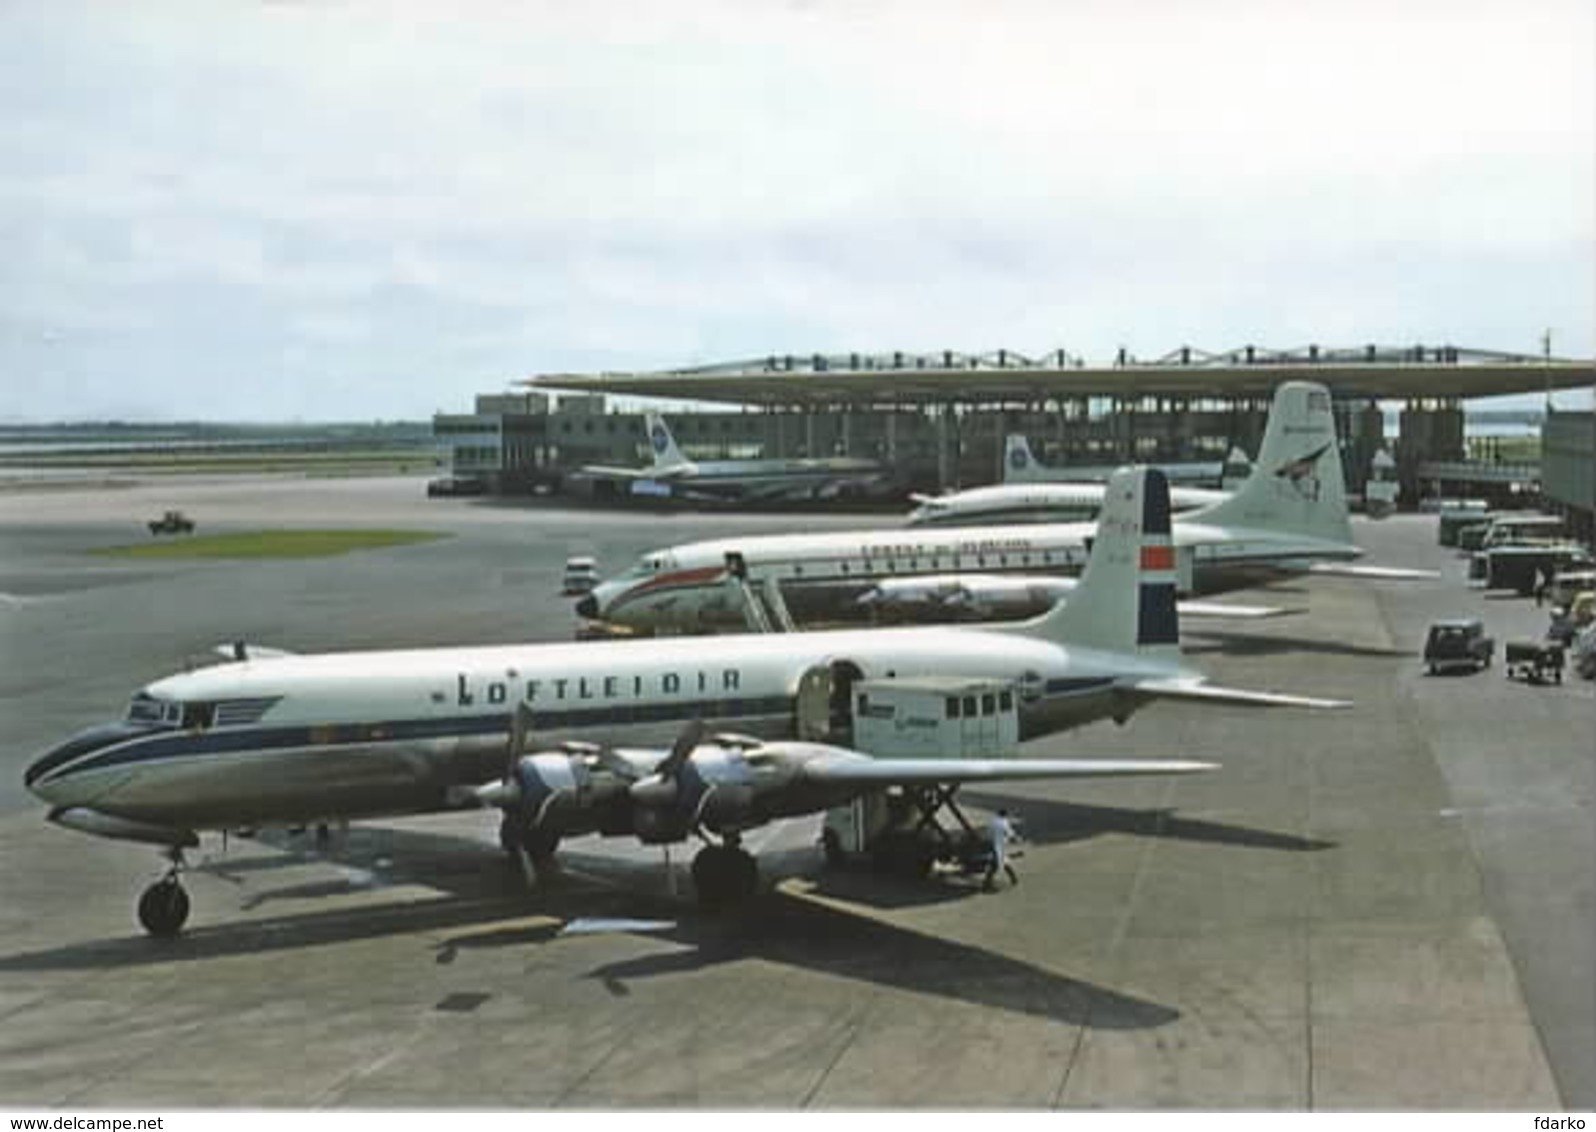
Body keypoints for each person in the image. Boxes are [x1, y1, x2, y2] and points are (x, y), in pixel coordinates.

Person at [983, 809, 1020, 891]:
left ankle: (1014, 879)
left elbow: (988, 834)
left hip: (993, 845)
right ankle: (986, 885)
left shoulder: (993, 822)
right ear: (1005, 815)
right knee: (997, 865)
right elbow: (1010, 834)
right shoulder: (1004, 823)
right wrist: (1017, 839)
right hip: (1000, 846)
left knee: (1001, 863)